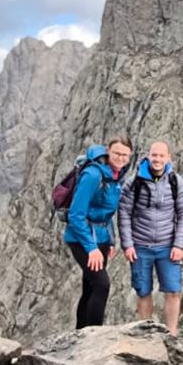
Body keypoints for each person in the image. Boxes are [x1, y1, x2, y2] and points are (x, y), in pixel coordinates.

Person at [117, 140, 183, 332]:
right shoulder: (134, 182)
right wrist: (128, 245)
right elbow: (124, 212)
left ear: (168, 158)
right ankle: (147, 333)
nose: (157, 159)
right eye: (154, 155)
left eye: (161, 155)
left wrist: (179, 244)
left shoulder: (176, 182)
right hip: (140, 247)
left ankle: (172, 334)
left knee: (173, 291)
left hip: (168, 246)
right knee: (143, 292)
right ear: (148, 156)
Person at [63, 138, 133, 329]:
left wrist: (110, 241)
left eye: (125, 155)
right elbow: (76, 215)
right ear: (107, 151)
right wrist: (91, 248)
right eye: (117, 153)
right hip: (81, 238)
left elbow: (106, 213)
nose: (120, 158)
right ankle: (94, 338)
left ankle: (80, 335)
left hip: (101, 237)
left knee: (91, 287)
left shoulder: (116, 176)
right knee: (102, 285)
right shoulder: (93, 175)